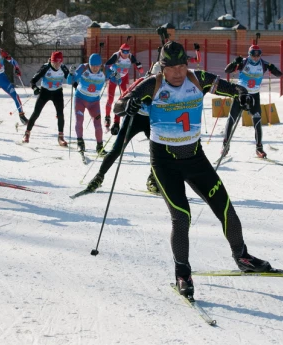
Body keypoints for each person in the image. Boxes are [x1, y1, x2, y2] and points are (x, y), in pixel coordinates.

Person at [114, 41, 273, 298]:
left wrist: (241, 94)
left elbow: (233, 88)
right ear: (162, 68)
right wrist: (129, 106)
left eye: (181, 66)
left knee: (225, 207)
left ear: (187, 64)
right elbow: (119, 106)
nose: (177, 73)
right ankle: (182, 272)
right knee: (181, 216)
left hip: (195, 158)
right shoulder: (152, 84)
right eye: (171, 68)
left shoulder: (198, 79)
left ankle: (242, 257)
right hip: (164, 162)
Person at [85, 62, 162, 194]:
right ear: (149, 74)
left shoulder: (167, 87)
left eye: (160, 79)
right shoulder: (141, 82)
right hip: (135, 118)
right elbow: (120, 103)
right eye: (153, 77)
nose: (155, 82)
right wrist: (118, 118)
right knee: (117, 149)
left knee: (159, 151)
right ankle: (99, 176)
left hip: (152, 121)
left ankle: (153, 179)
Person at [222, 44, 282, 158]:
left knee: (257, 121)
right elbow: (227, 70)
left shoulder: (263, 64)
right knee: (232, 119)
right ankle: (225, 146)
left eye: (258, 54)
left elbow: (279, 74)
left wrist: (273, 68)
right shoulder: (244, 62)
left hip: (254, 95)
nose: (255, 57)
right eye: (253, 55)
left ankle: (259, 148)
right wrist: (234, 62)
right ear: (249, 54)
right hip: (241, 93)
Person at [67, 53, 118, 156]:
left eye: (97, 66)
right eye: (92, 65)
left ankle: (99, 146)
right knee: (79, 120)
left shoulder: (105, 71)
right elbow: (70, 81)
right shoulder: (83, 68)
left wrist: (116, 75)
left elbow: (118, 81)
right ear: (89, 64)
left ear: (100, 65)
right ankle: (80, 142)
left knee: (98, 124)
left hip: (94, 103)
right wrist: (71, 73)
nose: (95, 68)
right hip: (80, 99)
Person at [22, 51, 70, 146]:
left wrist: (73, 78)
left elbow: (70, 79)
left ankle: (60, 137)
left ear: (61, 62)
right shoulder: (46, 67)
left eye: (59, 62)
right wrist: (35, 88)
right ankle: (27, 133)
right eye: (54, 62)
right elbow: (33, 81)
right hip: (45, 92)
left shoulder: (63, 68)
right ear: (51, 61)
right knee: (36, 112)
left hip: (57, 93)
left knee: (60, 114)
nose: (57, 65)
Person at [103, 44, 143, 133]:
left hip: (124, 78)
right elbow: (106, 66)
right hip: (114, 77)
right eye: (123, 51)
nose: (125, 53)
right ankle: (107, 117)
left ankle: (116, 122)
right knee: (110, 99)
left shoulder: (130, 56)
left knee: (123, 99)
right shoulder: (116, 56)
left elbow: (140, 70)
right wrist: (112, 74)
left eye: (127, 51)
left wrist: (139, 67)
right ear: (120, 50)